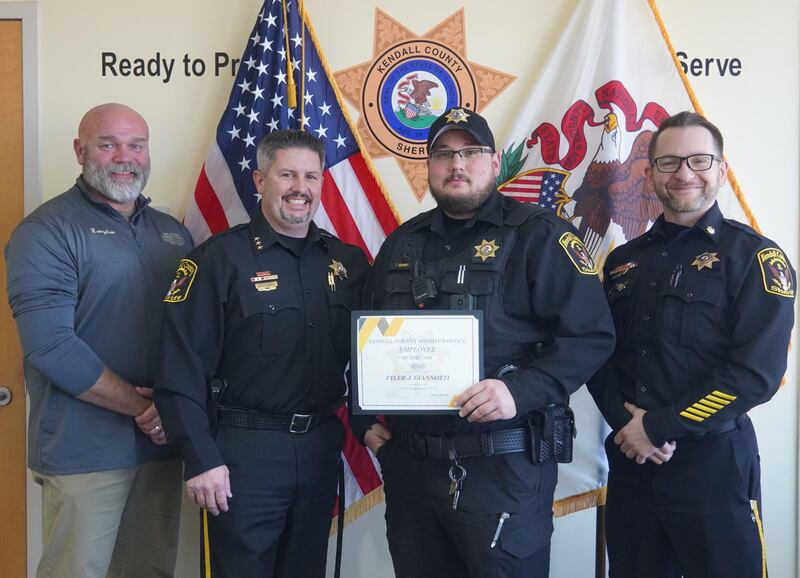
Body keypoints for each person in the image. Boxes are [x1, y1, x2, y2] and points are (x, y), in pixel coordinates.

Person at [353, 108, 615, 578]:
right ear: (428, 166)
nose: (458, 164)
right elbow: (366, 339)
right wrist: (361, 420)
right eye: (444, 154)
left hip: (503, 470)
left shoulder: (540, 236)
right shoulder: (401, 244)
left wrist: (519, 391)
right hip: (412, 469)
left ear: (495, 163)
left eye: (471, 152)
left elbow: (591, 336)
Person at [588, 111, 795, 578]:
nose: (684, 173)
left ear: (722, 170)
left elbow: (756, 376)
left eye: (700, 160)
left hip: (714, 466)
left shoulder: (756, 258)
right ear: (650, 173)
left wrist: (659, 426)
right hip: (633, 461)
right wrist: (627, 424)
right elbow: (598, 353)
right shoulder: (623, 261)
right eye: (669, 162)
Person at [154, 129, 369, 578]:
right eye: (287, 173)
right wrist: (201, 458)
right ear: (258, 180)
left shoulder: (346, 262)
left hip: (318, 448)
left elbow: (377, 350)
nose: (300, 188)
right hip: (242, 454)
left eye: (311, 176)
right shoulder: (217, 261)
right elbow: (180, 367)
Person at [5, 103, 191, 578]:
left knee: (150, 571)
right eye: (107, 144)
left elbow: (194, 336)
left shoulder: (172, 233)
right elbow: (50, 347)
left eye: (136, 144)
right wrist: (144, 408)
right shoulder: (46, 231)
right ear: (80, 150)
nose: (124, 157)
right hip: (84, 453)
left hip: (161, 448)